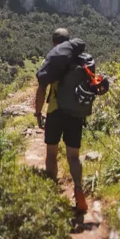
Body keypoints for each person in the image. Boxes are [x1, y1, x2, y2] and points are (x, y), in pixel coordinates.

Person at [34, 27, 88, 213]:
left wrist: (37, 113)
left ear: (54, 43)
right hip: (75, 114)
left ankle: (51, 192)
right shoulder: (80, 59)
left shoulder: (53, 59)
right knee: (73, 156)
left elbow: (41, 88)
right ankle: (79, 191)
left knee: (51, 153)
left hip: (55, 112)